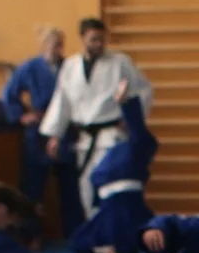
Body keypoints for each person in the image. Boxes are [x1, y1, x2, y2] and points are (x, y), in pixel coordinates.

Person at [40, 18, 153, 223]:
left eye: (102, 39)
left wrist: (130, 119)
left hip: (112, 136)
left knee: (111, 187)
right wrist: (55, 135)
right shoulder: (70, 66)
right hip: (84, 139)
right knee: (86, 188)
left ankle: (112, 232)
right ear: (82, 38)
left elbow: (144, 90)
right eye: (93, 39)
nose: (99, 44)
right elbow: (62, 100)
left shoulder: (120, 62)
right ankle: (96, 233)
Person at [69, 79, 157, 253]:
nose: (122, 124)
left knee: (80, 239)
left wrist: (125, 102)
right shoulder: (125, 148)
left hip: (118, 202)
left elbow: (137, 128)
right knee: (156, 233)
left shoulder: (138, 145)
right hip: (117, 203)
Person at [1, 27, 80, 240]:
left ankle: (75, 236)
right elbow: (9, 94)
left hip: (66, 130)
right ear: (43, 45)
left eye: (59, 44)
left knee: (71, 188)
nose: (56, 48)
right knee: (32, 187)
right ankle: (30, 235)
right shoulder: (30, 67)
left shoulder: (70, 67)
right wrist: (21, 116)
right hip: (38, 131)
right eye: (52, 44)